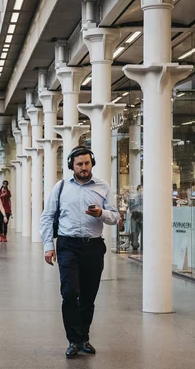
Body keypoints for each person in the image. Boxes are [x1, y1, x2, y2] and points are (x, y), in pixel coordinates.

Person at [40, 146, 119, 359]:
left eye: (87, 163)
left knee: (87, 296)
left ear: (92, 163)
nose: (84, 167)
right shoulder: (61, 186)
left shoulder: (103, 187)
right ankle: (73, 340)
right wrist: (48, 246)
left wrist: (101, 213)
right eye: (79, 164)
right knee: (69, 293)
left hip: (93, 246)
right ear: (71, 166)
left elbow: (115, 217)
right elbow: (47, 216)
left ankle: (84, 337)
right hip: (68, 245)